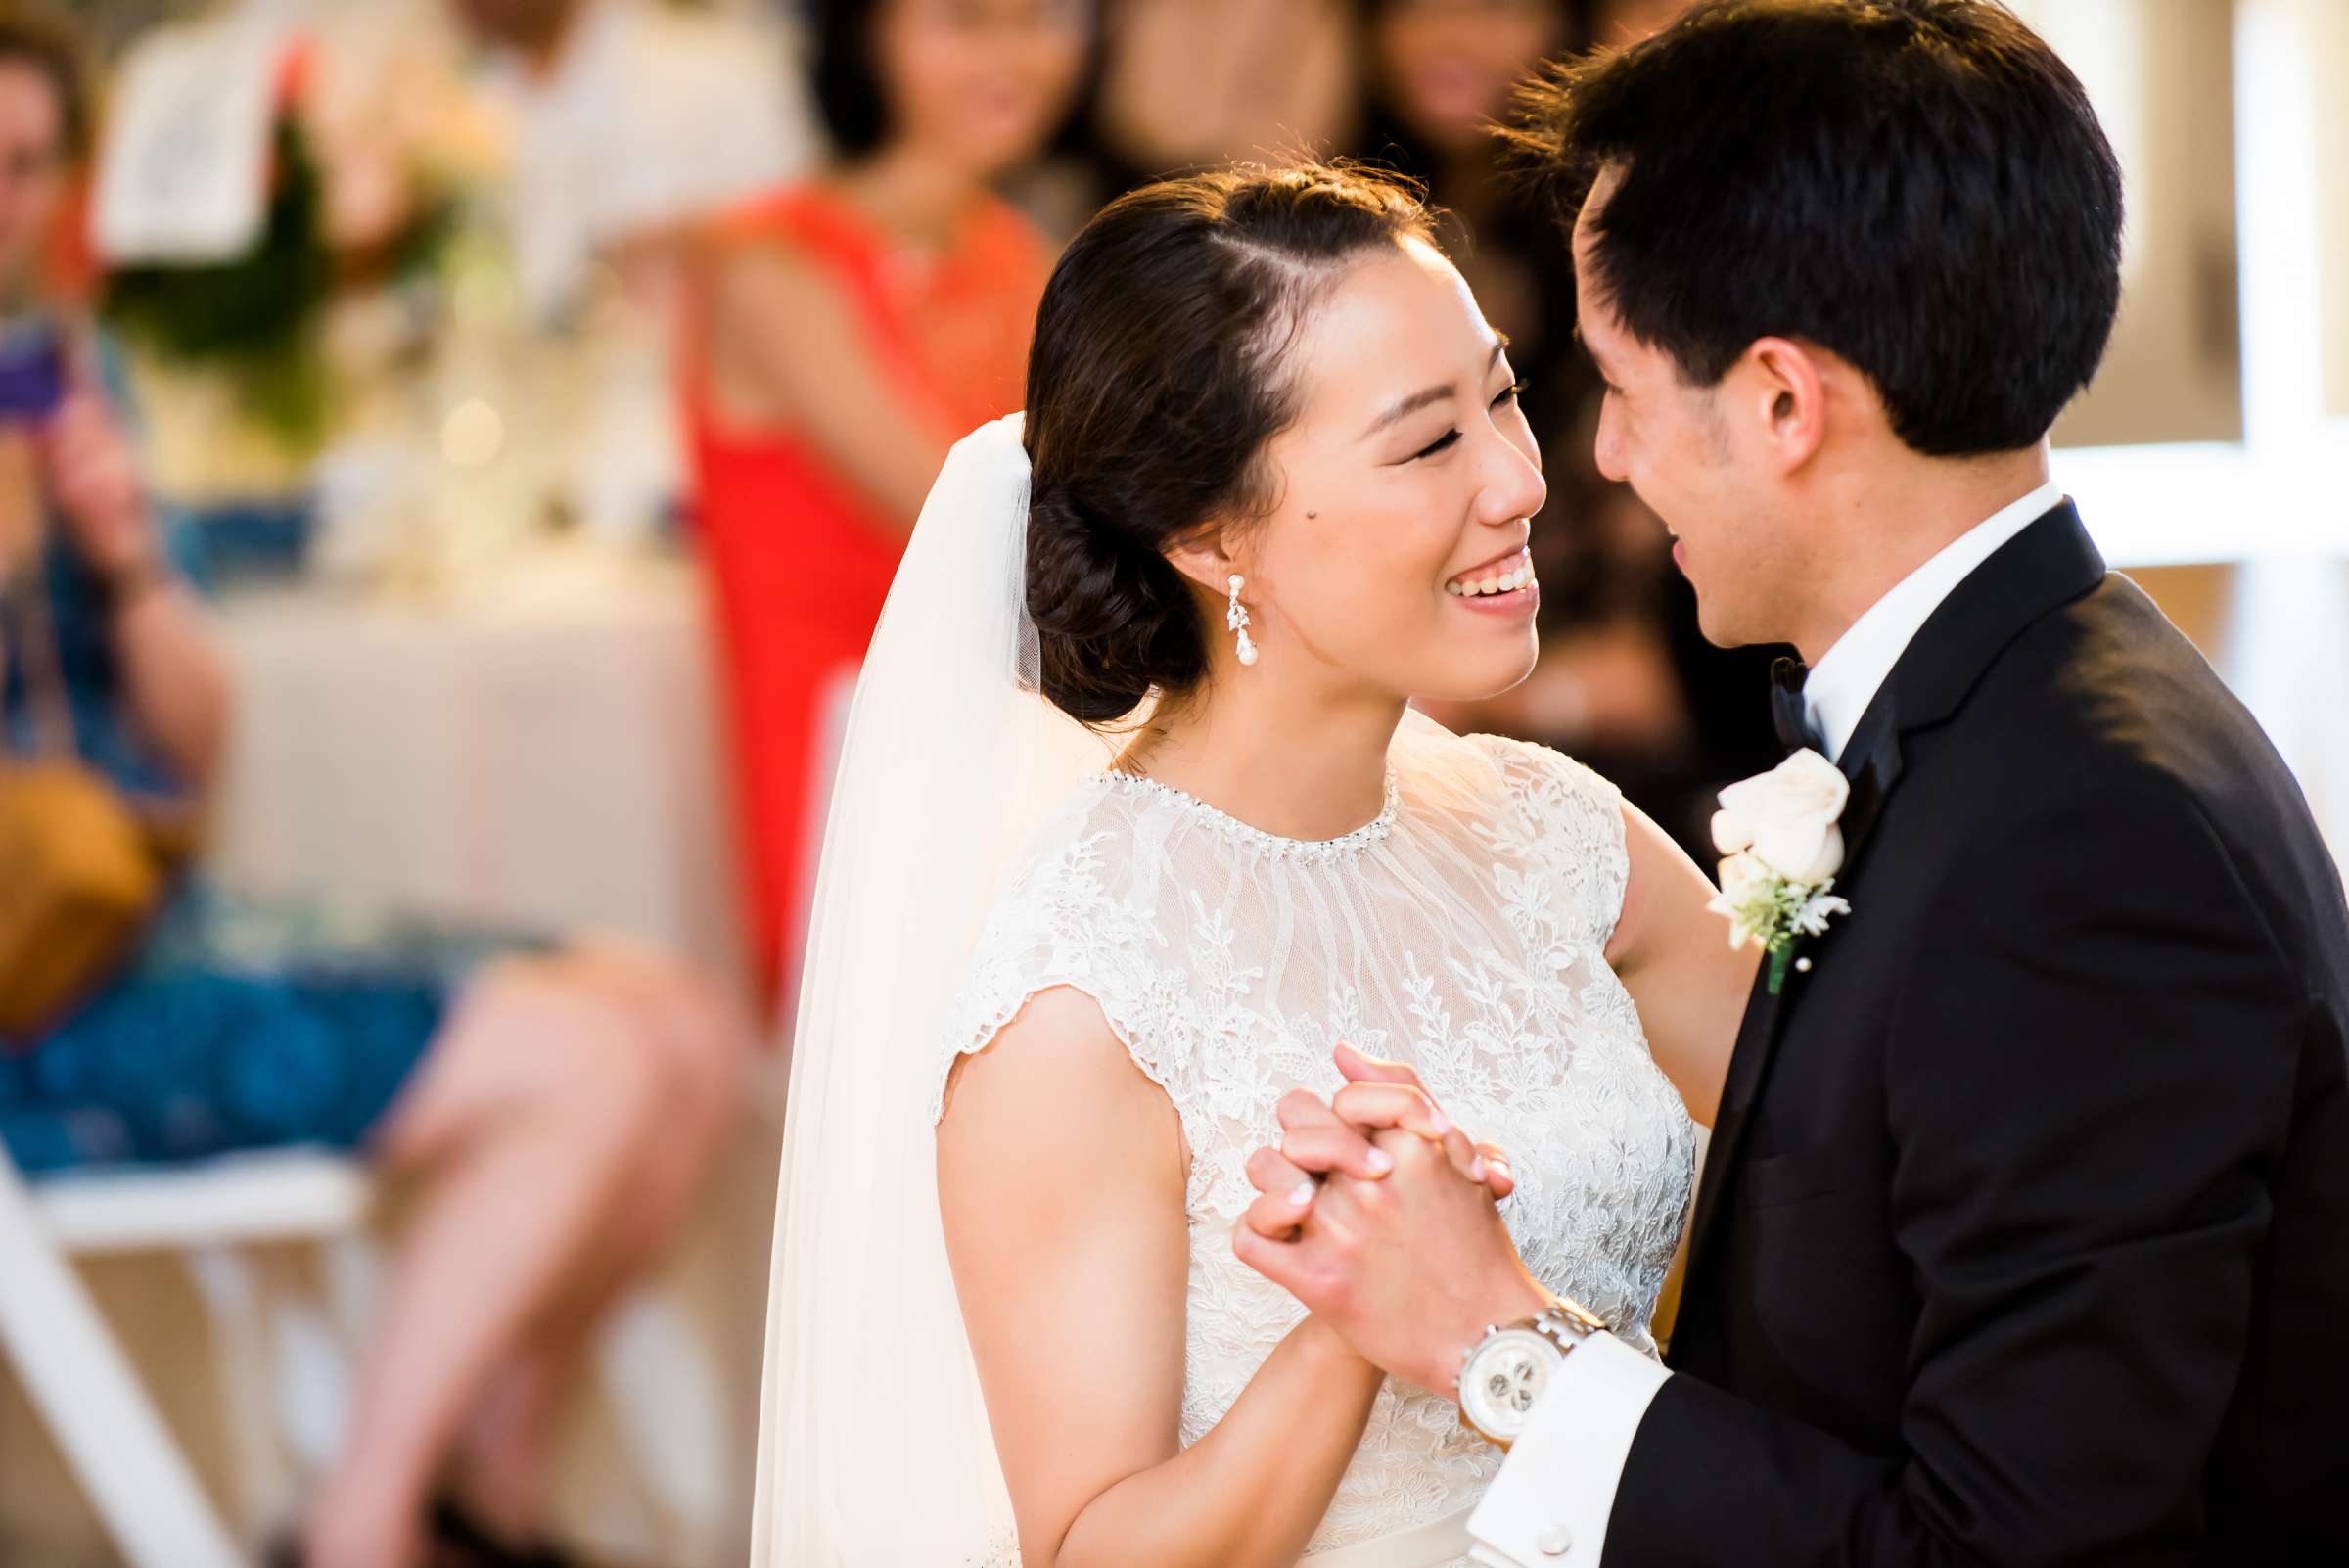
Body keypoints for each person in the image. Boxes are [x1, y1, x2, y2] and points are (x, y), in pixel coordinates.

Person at [1236, 4, 2349, 1565]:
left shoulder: (2086, 838)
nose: (1598, 459)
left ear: (1779, 399)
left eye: (1615, 386)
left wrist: (1505, 1343)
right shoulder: (2014, 719)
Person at [754, 161, 1763, 1566]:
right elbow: (1092, 1545)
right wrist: (1355, 1327)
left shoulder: (1559, 838)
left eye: (1505, 397)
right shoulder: (1085, 992)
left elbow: (1870, 1153)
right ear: (1214, 535)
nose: (1521, 482)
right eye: (1426, 446)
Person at [0, 18, 754, 1568]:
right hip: (34, 1004)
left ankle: (489, 1496)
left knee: (678, 1030)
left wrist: (126, 548)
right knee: (586, 1069)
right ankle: (362, 1530)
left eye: (20, 169)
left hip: (139, 917)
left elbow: (201, 746)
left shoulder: (73, 378)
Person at [682, 0, 1088, 1001]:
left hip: (1010, 743)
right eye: (964, 20)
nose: (1013, 55)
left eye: (1041, 19)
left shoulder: (1010, 251)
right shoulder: (773, 266)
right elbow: (973, 516)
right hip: (859, 760)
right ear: (865, 37)